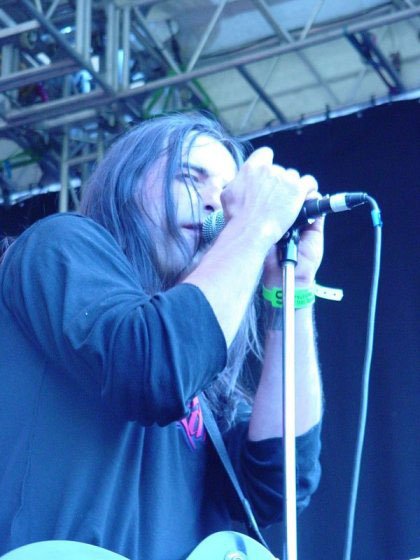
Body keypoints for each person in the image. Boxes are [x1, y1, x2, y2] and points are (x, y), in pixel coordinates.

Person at [0, 113, 324, 560]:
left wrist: (295, 290)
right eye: (190, 178)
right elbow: (149, 367)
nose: (218, 206)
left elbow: (280, 484)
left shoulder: (199, 379)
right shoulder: (59, 244)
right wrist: (253, 226)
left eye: (230, 194)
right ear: (127, 184)